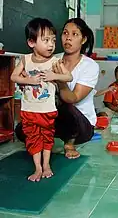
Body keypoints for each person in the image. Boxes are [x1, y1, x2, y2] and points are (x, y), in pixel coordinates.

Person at [15, 18, 99, 161]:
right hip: (53, 117)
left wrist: (59, 79)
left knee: (63, 104)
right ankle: (49, 138)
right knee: (21, 130)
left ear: (83, 39)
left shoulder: (90, 66)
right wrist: (27, 81)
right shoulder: (52, 59)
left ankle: (69, 143)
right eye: (65, 33)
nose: (68, 38)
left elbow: (72, 98)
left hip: (81, 125)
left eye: (74, 34)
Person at [11, 18, 73, 182]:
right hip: (29, 110)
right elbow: (13, 76)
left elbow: (68, 76)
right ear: (31, 42)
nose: (51, 44)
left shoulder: (54, 61)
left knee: (47, 137)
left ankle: (46, 165)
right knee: (33, 138)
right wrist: (29, 81)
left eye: (53, 40)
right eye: (45, 40)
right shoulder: (26, 59)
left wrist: (55, 76)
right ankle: (37, 168)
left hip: (47, 110)